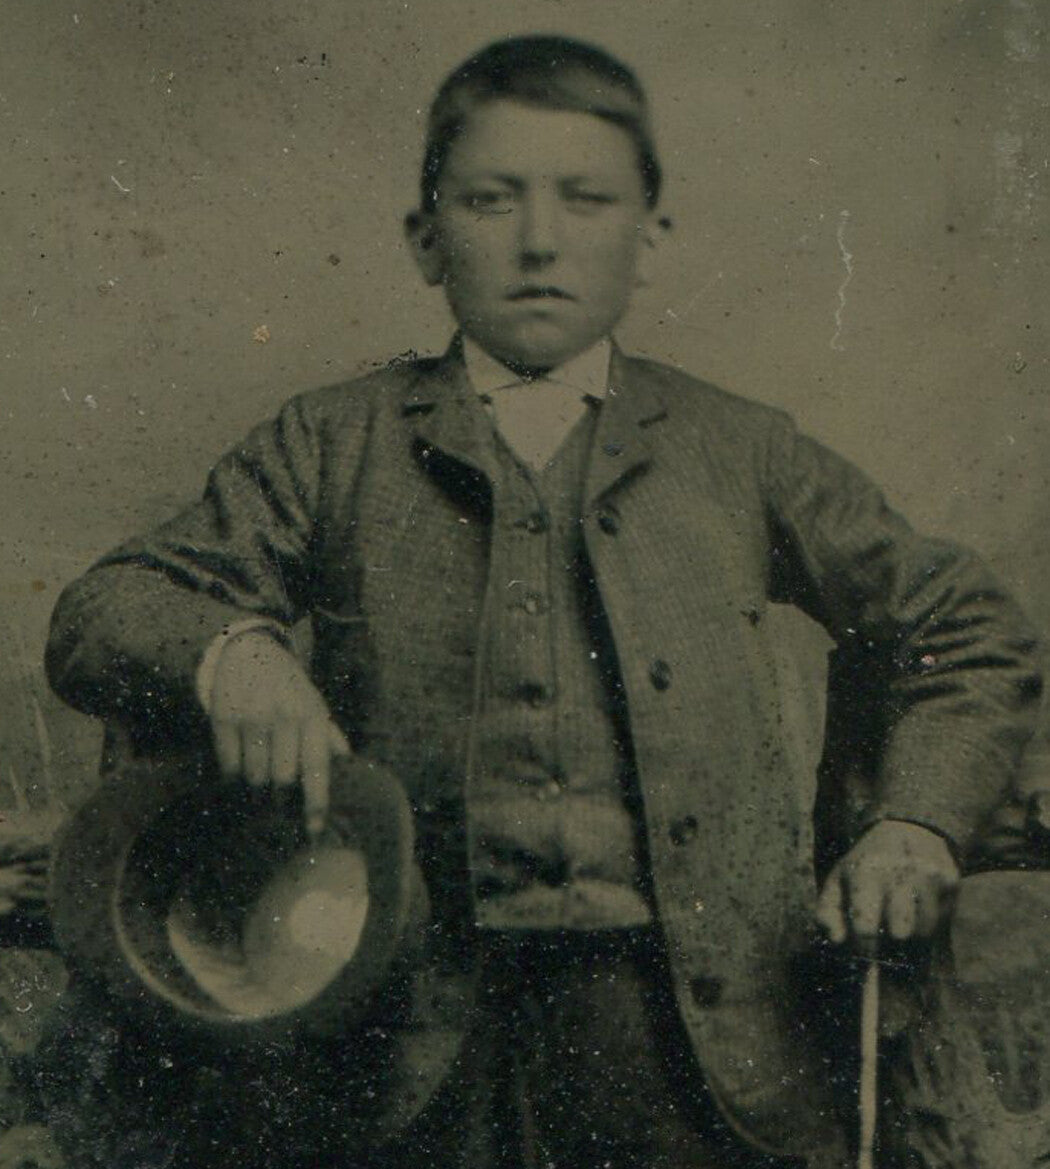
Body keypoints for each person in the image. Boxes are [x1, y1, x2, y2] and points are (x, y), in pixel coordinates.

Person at [45, 33, 1042, 1169]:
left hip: (696, 1043)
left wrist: (912, 822)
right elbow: (105, 606)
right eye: (489, 199)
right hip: (404, 1041)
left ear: (648, 237)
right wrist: (235, 655)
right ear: (425, 241)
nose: (538, 242)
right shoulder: (332, 443)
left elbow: (966, 626)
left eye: (585, 199)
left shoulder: (739, 450)